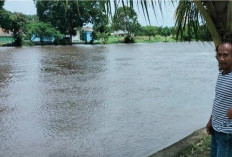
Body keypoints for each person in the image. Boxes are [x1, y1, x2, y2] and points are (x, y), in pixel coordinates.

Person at [206, 42, 232, 157]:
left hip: (227, 132)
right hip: (216, 128)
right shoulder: (222, 74)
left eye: (225, 55)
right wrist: (211, 120)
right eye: (219, 55)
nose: (221, 59)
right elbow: (218, 100)